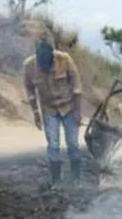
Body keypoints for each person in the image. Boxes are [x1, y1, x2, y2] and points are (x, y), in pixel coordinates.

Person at [23, 29, 83, 184]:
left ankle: (76, 178)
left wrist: (78, 112)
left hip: (69, 107)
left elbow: (76, 87)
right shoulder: (29, 66)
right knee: (53, 145)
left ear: (52, 53)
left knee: (73, 144)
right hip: (49, 109)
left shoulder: (65, 60)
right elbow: (30, 92)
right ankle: (56, 180)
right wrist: (36, 114)